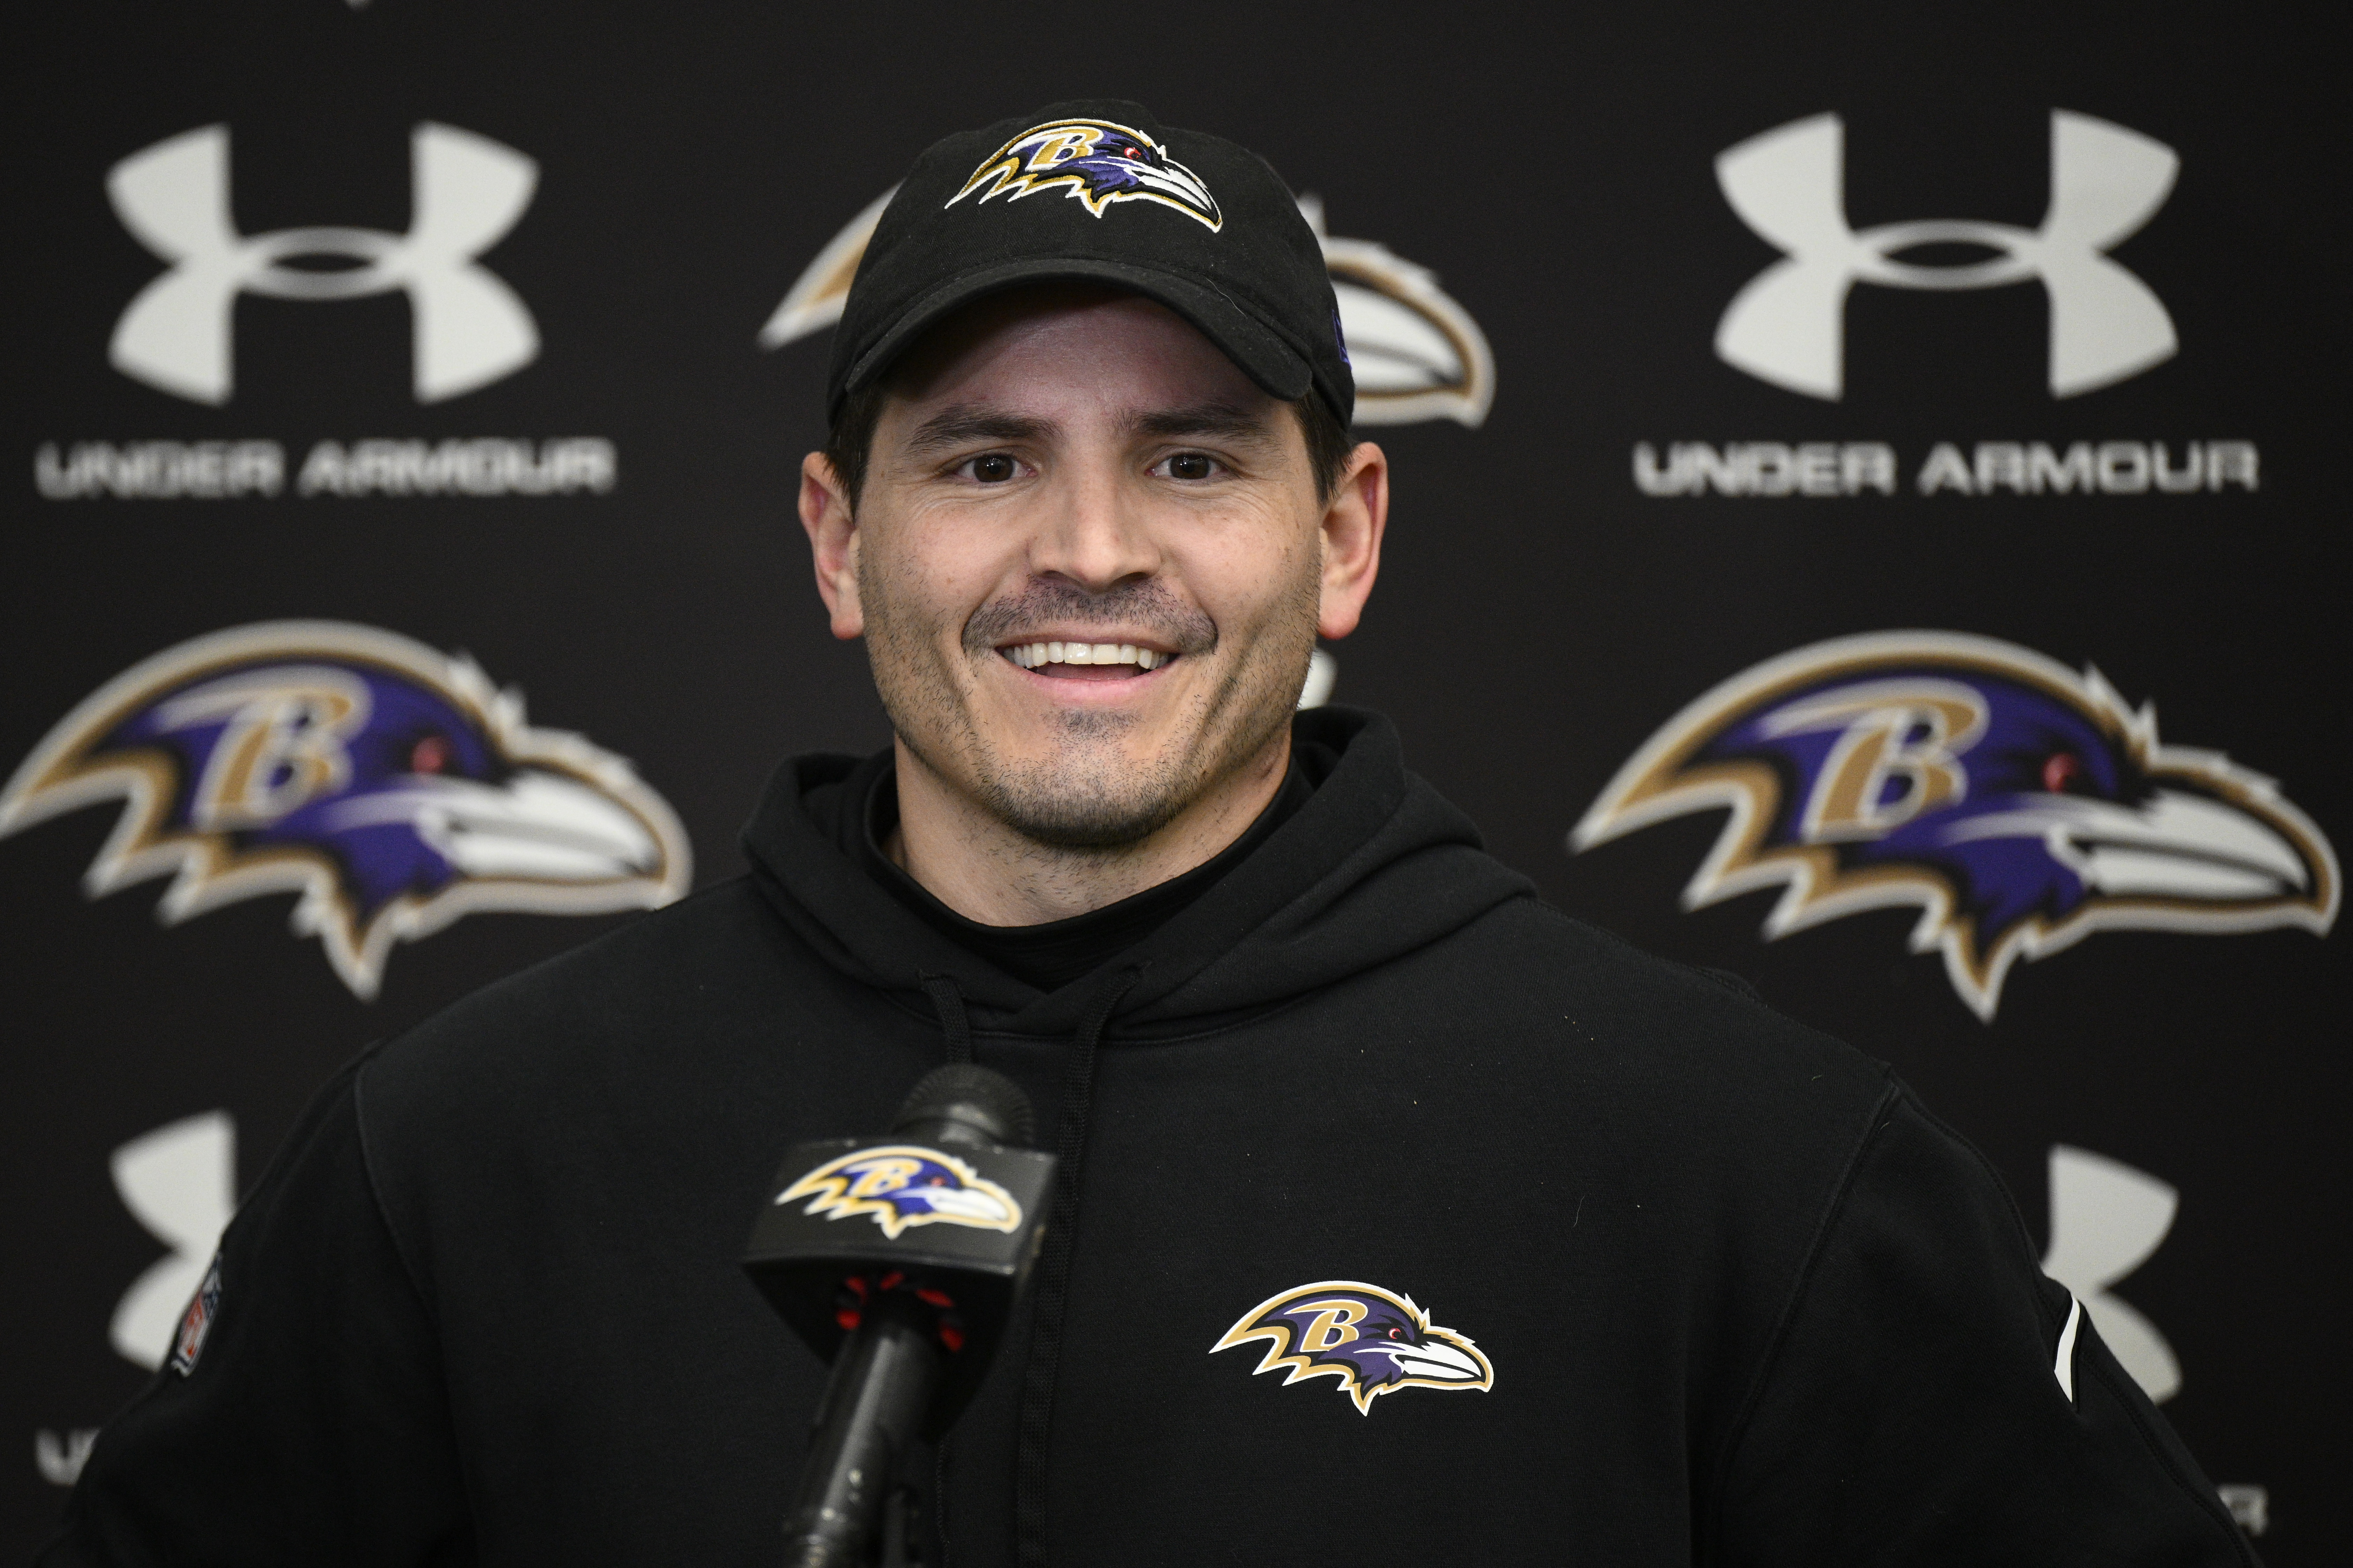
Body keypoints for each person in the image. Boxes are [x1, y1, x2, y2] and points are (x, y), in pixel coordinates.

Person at [46, 99, 2256, 1567]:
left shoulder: (1738, 1162)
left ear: (1346, 532)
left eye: (1192, 461)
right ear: (839, 537)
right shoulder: (464, 1149)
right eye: (985, 460)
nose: (1086, 551)